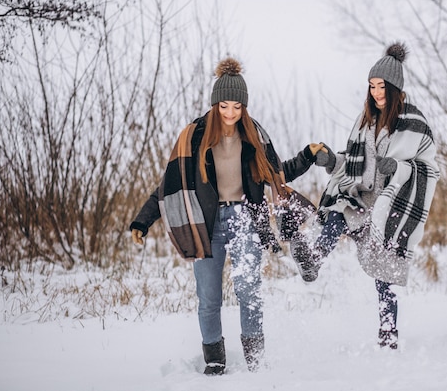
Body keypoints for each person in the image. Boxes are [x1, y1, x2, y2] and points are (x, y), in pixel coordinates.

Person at [129, 57, 328, 375]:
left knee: (249, 290)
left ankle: (256, 358)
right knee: (209, 296)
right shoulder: (194, 137)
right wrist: (143, 220)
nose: (231, 113)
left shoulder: (254, 137)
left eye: (237, 107)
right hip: (205, 225)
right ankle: (214, 359)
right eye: (224, 106)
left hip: (244, 220)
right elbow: (169, 185)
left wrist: (307, 155)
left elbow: (278, 174)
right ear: (215, 103)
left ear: (244, 107)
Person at [291, 42, 440, 350]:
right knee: (338, 211)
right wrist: (333, 162)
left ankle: (389, 332)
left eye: (381, 86)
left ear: (395, 87)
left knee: (384, 271)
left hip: (393, 201)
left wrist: (398, 166)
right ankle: (314, 260)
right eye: (372, 86)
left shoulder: (413, 122)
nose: (376, 92)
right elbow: (355, 163)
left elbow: (428, 168)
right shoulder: (364, 123)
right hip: (363, 198)